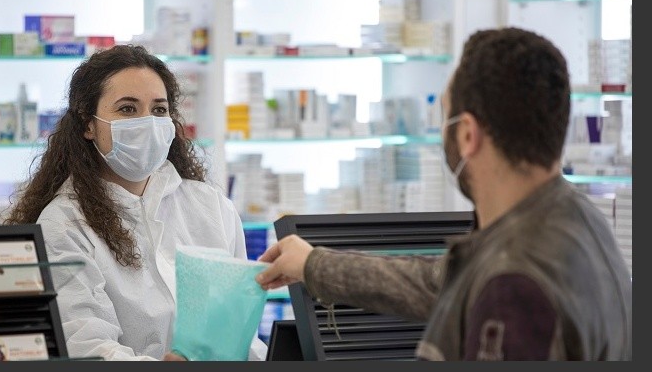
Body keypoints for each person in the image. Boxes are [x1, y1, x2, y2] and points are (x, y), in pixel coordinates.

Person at [255, 27, 632, 361]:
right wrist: (312, 264)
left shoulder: (513, 285)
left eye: (445, 117)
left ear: (467, 135)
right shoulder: (576, 219)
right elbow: (438, 283)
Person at [3, 44, 268, 361]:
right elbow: (88, 348)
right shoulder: (63, 225)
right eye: (128, 109)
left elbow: (240, 330)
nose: (148, 122)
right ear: (89, 124)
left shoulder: (209, 207)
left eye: (158, 110)